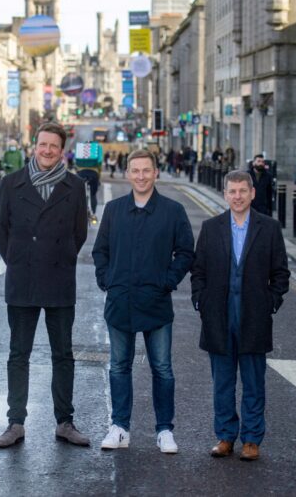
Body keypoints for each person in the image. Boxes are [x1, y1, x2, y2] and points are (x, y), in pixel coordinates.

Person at [0, 122, 90, 448]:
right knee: (18, 354)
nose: (47, 151)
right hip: (23, 279)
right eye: (42, 144)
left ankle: (65, 421)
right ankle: (15, 422)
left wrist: (60, 259)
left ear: (62, 151)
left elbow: (79, 234)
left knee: (63, 354)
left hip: (60, 279)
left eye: (54, 146)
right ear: (34, 145)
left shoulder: (75, 187)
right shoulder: (10, 183)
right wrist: (19, 261)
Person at [92, 149, 194, 454]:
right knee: (119, 366)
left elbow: (186, 252)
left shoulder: (173, 211)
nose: (140, 176)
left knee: (162, 368)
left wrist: (168, 281)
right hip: (120, 302)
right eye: (135, 170)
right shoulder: (113, 210)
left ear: (156, 173)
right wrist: (106, 280)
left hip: (156, 302)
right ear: (127, 173)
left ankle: (165, 430)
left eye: (146, 170)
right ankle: (120, 427)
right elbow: (101, 251)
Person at [191, 170, 290, 462]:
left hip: (254, 318)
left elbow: (281, 274)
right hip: (218, 318)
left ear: (252, 193)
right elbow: (198, 271)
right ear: (225, 194)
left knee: (253, 383)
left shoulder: (269, 228)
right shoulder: (211, 228)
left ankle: (251, 440)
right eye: (232, 191)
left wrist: (270, 304)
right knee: (222, 382)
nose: (237, 196)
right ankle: (224, 436)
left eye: (242, 191)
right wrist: (201, 302)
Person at [74, 140, 103, 218]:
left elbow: (75, 161)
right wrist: (99, 174)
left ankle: (77, 214)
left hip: (81, 173)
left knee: (78, 195)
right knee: (93, 194)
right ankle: (93, 214)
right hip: (94, 173)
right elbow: (100, 162)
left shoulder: (80, 148)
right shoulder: (98, 147)